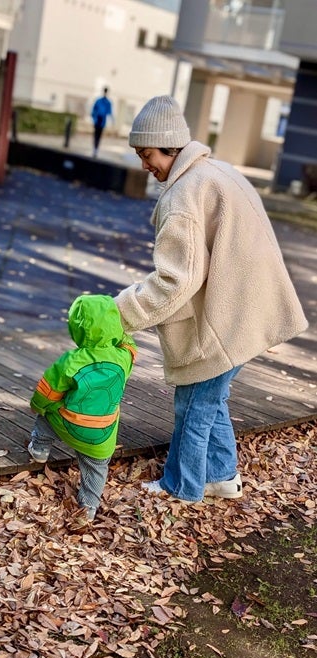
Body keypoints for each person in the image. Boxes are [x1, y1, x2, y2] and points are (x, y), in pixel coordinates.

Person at [114, 95, 308, 504]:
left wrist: (123, 311)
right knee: (211, 396)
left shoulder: (184, 195)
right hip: (249, 307)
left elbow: (176, 280)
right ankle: (221, 476)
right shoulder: (216, 172)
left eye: (147, 154)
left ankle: (180, 487)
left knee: (194, 403)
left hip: (231, 314)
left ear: (170, 147)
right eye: (138, 155)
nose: (144, 165)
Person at [28, 294, 137, 530]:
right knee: (96, 468)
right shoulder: (123, 359)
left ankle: (39, 449)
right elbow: (130, 345)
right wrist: (120, 334)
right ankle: (88, 508)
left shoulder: (70, 361)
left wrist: (38, 407)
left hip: (68, 425)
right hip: (102, 434)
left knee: (45, 418)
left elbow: (47, 393)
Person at [91, 87, 113, 157]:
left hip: (102, 122)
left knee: (99, 136)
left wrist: (111, 121)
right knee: (95, 135)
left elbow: (109, 112)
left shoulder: (108, 102)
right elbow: (93, 110)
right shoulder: (98, 100)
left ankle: (96, 149)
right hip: (97, 120)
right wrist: (94, 118)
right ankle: (94, 148)